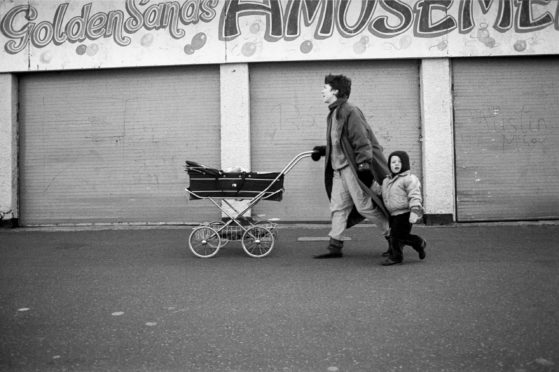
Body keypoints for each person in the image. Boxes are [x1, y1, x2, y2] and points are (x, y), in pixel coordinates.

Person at [311, 74, 390, 259]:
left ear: (335, 91)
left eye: (325, 88)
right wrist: (323, 150)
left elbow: (361, 140)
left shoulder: (350, 111)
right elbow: (339, 141)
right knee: (338, 207)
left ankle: (393, 236)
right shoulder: (333, 113)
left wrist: (364, 166)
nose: (322, 91)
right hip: (339, 170)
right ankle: (335, 246)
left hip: (352, 169)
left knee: (364, 207)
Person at [373, 150, 427, 266]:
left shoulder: (409, 179)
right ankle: (419, 243)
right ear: (389, 165)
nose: (396, 164)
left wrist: (415, 210)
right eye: (393, 162)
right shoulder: (386, 181)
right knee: (400, 236)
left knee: (395, 236)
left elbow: (415, 195)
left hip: (405, 213)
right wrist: (370, 184)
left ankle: (396, 257)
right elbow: (380, 192)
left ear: (405, 164)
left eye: (399, 162)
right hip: (393, 215)